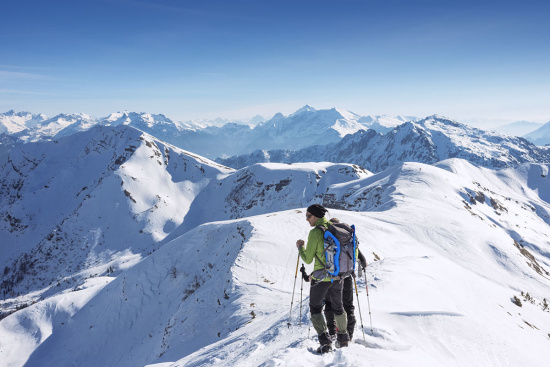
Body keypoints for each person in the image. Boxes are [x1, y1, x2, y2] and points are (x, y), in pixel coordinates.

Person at [296, 204, 349, 353]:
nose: (307, 220)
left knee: (315, 308)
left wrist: (300, 247)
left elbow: (307, 259)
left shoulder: (315, 232)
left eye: (308, 216)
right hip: (337, 277)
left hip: (321, 279)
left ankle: (325, 342)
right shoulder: (333, 227)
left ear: (316, 216)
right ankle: (343, 339)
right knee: (338, 307)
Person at [323, 218, 367, 342]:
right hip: (347, 276)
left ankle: (332, 333)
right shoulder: (348, 239)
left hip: (331, 277)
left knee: (330, 304)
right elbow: (360, 257)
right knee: (348, 304)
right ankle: (349, 334)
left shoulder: (329, 237)